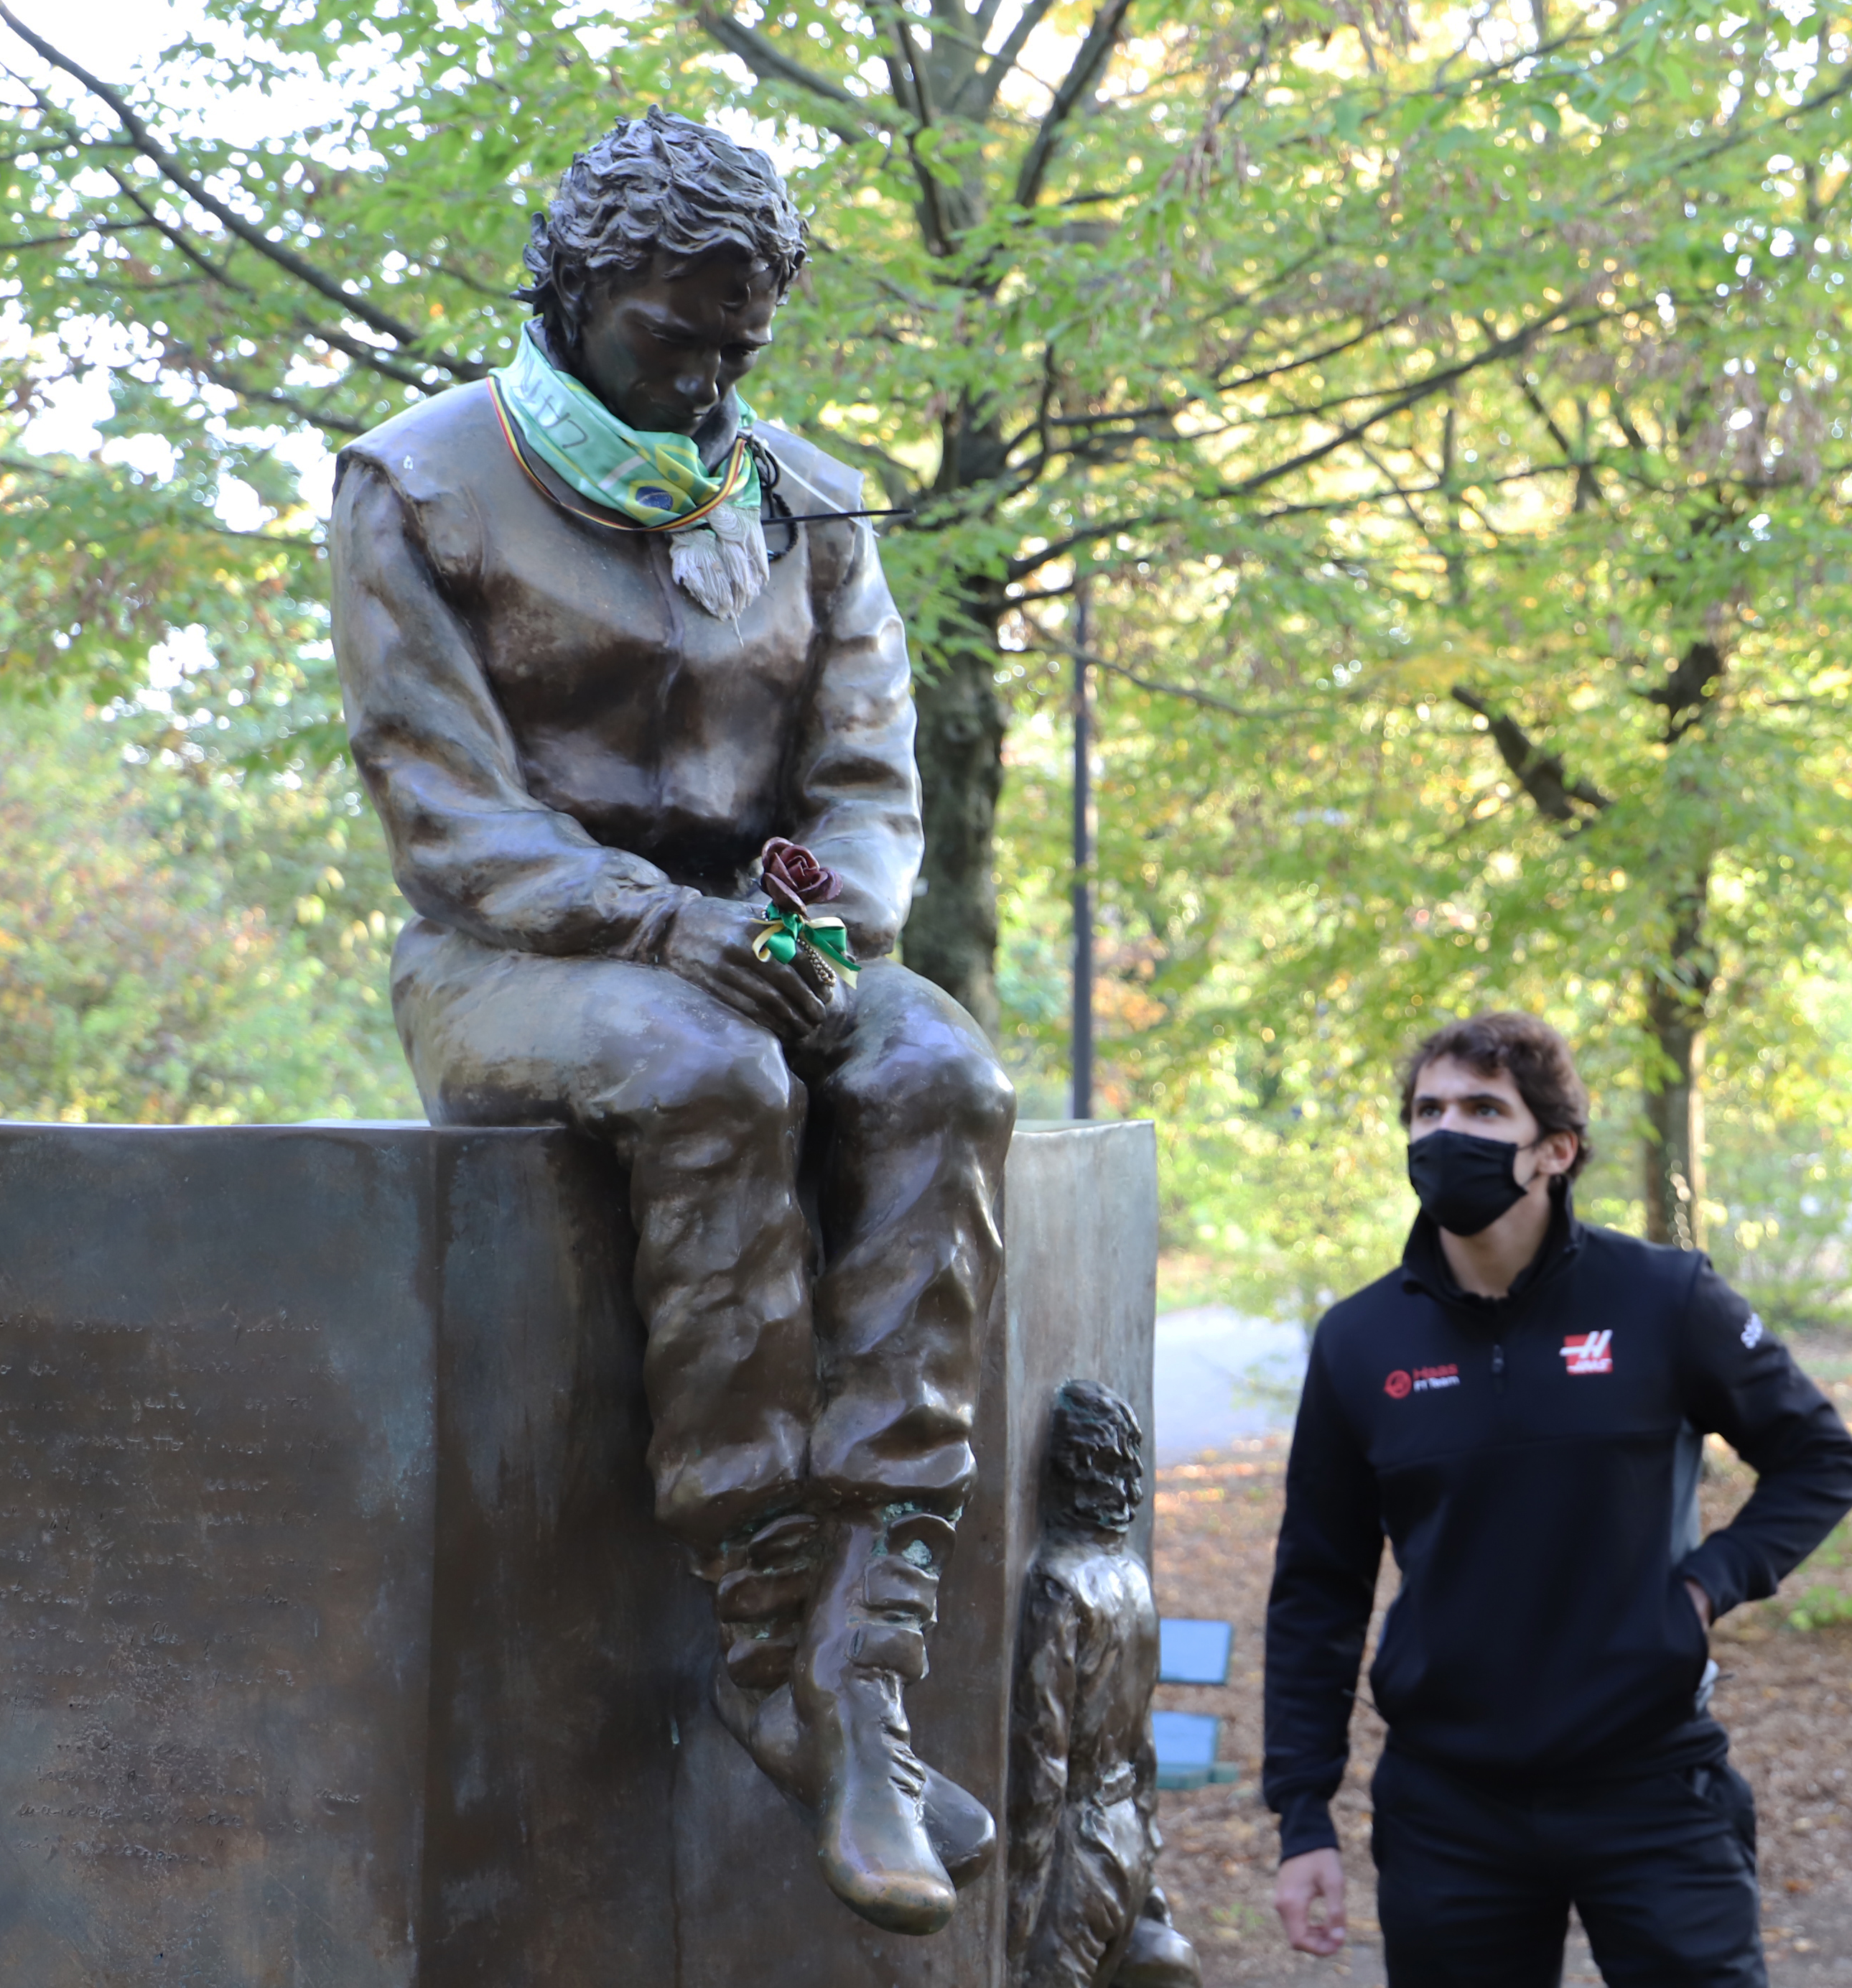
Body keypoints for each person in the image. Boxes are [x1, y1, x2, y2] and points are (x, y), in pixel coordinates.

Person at [329, 109, 1015, 1937]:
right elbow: (446, 815)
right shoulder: (415, 484)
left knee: (941, 1064)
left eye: (738, 347)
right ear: (575, 290)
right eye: (672, 338)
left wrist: (811, 930)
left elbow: (867, 788)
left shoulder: (807, 501)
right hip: (517, 957)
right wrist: (658, 925)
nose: (707, 381)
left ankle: (863, 1664)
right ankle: (768, 1639)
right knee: (702, 1070)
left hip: (765, 946)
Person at [1262, 1011, 1852, 1985]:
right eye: (1426, 1110)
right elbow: (1316, 1589)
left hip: (1650, 1780)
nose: (1444, 1131)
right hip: (1447, 1807)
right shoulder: (1358, 1341)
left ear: (1555, 1148)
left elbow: (1820, 1457)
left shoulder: (1663, 1298)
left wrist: (1706, 1584)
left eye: (1481, 1109)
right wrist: (1302, 1816)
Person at [1006, 1381, 1202, 1988]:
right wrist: (1146, 1845)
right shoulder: (1132, 1578)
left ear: (1069, 1470)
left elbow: (1043, 1757)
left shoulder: (1059, 1586)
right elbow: (1143, 1740)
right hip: (1126, 1834)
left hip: (1077, 1846)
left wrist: (1023, 1889)